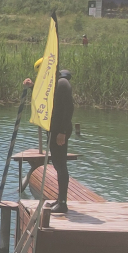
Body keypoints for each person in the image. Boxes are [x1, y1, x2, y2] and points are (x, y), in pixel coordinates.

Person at [48, 69, 74, 213]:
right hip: (54, 130)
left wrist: (62, 132)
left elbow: (69, 108)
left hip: (60, 131)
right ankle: (59, 200)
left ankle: (63, 203)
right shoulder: (56, 84)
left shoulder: (63, 83)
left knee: (60, 165)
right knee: (58, 164)